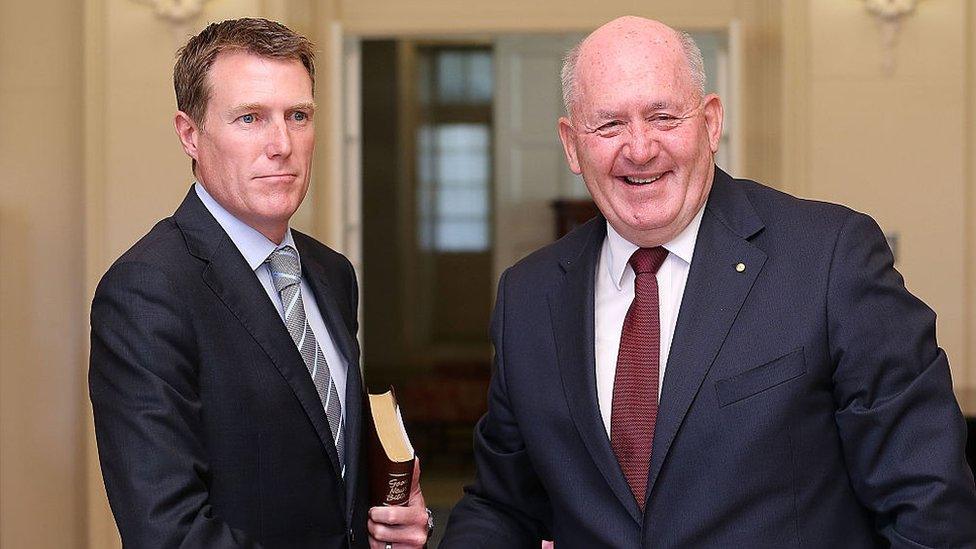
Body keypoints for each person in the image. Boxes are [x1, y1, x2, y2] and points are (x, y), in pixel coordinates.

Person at [442, 15, 976, 547]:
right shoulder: (528, 296)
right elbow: (504, 506)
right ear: (571, 144)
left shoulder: (830, 259)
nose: (640, 148)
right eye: (609, 126)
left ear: (711, 122)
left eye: (664, 117)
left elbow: (929, 502)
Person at [89, 18, 431, 548]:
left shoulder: (330, 273)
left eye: (298, 116)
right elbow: (168, 532)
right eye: (250, 118)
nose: (282, 144)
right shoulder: (147, 291)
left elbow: (322, 463)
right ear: (190, 135)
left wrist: (393, 521)